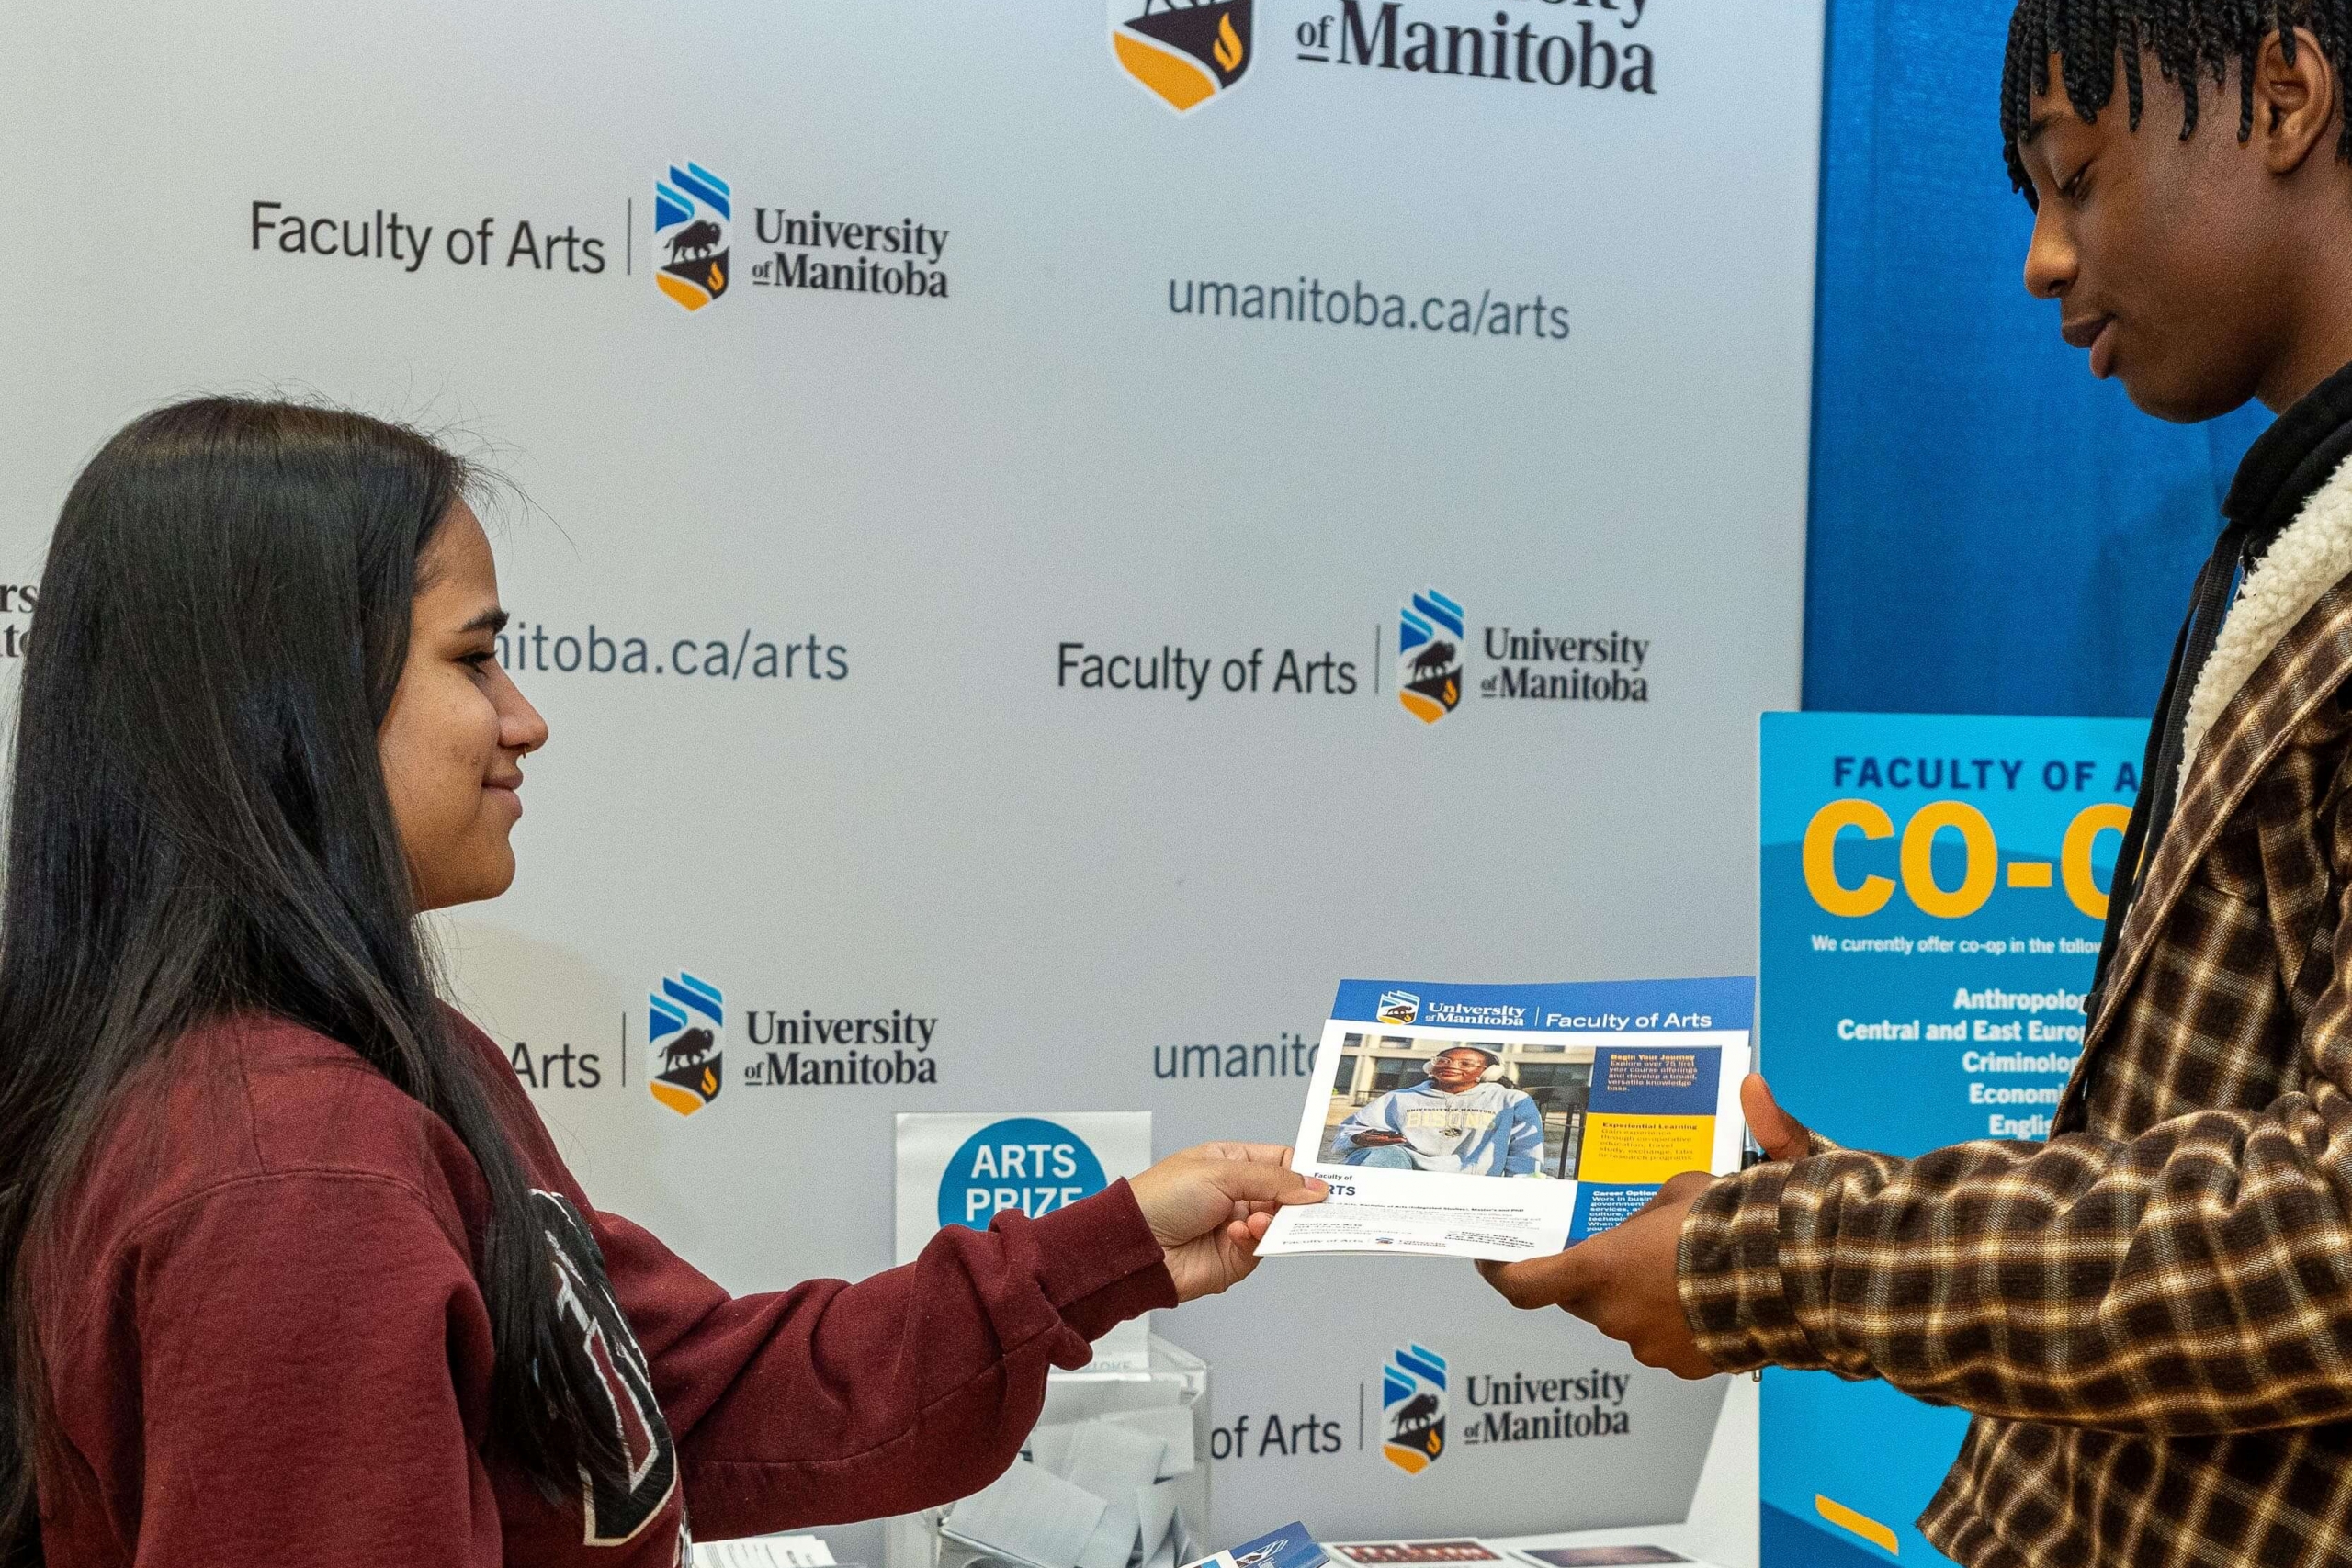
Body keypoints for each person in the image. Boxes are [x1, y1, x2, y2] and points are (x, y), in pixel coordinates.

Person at [0, 399, 1326, 1566]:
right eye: (471, 659)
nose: (525, 718)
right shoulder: (292, 1178)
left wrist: (1107, 1246)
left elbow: (689, 1399)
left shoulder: (381, 1074)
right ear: (287, 704)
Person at [1480, 7, 2352, 1566]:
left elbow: (2326, 1240)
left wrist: (1793, 1258)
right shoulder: (2291, 541)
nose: (2042, 257)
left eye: (2077, 180)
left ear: (2283, 95)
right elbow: (2207, 1140)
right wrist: (1867, 1215)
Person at [1337, 1046, 1544, 1176]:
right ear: (1431, 1066)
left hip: (1472, 1180)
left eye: (1466, 1063)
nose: (1451, 1066)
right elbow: (1350, 1131)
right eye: (1444, 1061)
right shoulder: (1398, 1098)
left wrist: (1520, 1184)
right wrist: (1362, 1138)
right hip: (1404, 1169)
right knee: (1383, 1155)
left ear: (1489, 1072)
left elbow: (1525, 1149)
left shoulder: (1512, 1100)